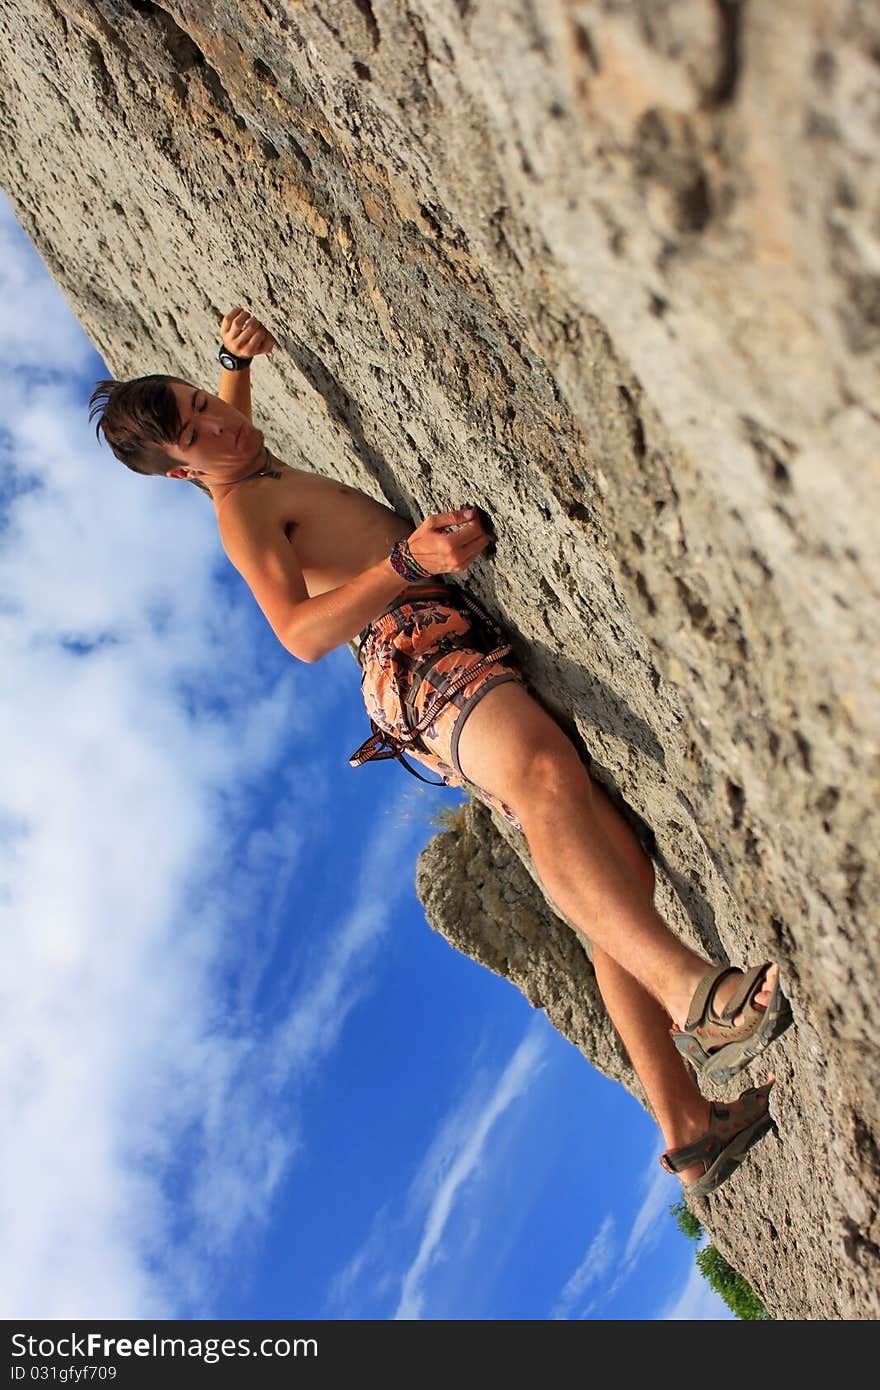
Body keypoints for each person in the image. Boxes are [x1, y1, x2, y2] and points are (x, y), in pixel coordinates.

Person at [90, 306, 793, 1199]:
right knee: (543, 780)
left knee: (609, 876)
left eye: (202, 400)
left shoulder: (233, 455)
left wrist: (232, 362)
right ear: (186, 474)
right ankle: (698, 997)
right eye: (198, 431)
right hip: (413, 655)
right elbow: (299, 635)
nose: (220, 419)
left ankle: (689, 1128)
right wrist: (403, 558)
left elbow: (218, 422)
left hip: (427, 651)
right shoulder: (241, 510)